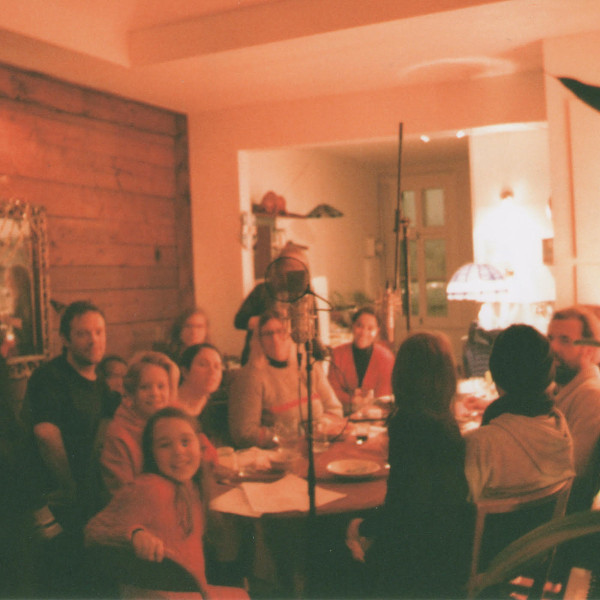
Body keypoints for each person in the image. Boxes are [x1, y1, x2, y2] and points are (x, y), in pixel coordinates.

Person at [345, 331, 474, 599]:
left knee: (333, 537)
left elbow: (405, 510)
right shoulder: (446, 422)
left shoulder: (410, 424)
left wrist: (361, 527)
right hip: (450, 553)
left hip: (416, 567)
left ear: (402, 375)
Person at [85, 406, 248, 599]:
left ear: (200, 445)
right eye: (164, 445)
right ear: (152, 453)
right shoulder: (149, 488)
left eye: (185, 442)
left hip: (191, 592)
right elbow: (93, 531)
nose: (178, 451)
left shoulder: (192, 486)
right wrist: (136, 534)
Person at [23, 300, 118, 596]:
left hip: (83, 497)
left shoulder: (98, 382)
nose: (94, 340)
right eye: (83, 333)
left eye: (99, 332)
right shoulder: (50, 377)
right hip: (52, 501)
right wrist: (70, 487)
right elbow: (45, 435)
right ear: (65, 339)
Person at [465, 324, 574, 503]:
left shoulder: (481, 443)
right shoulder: (559, 426)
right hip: (551, 523)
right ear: (547, 374)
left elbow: (458, 510)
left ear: (497, 372)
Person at [229, 310, 343, 448]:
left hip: (320, 445)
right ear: (258, 340)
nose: (275, 339)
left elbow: (335, 409)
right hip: (279, 453)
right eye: (268, 334)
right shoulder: (250, 377)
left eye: (281, 331)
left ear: (291, 335)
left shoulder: (309, 366)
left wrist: (320, 428)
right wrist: (290, 438)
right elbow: (244, 434)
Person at [100, 351, 179, 497]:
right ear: (131, 394)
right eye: (145, 387)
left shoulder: (170, 422)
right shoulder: (118, 434)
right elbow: (124, 494)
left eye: (161, 386)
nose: (154, 393)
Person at [547, 306, 600, 510]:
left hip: (560, 515)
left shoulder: (591, 395)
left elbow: (575, 473)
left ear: (589, 350)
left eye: (565, 340)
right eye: (550, 338)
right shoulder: (564, 386)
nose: (552, 347)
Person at [234, 241, 309, 365]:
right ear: (279, 267)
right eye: (289, 265)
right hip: (260, 360)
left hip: (294, 361)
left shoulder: (306, 296)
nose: (295, 269)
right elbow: (240, 321)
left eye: (300, 265)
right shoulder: (262, 291)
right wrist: (268, 321)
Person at [327, 306, 394, 414]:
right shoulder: (337, 354)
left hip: (376, 414)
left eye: (370, 328)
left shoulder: (386, 358)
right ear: (352, 326)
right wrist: (352, 399)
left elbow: (384, 395)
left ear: (377, 331)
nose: (364, 332)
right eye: (359, 326)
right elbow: (331, 389)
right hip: (341, 413)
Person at [178, 343, 230, 446]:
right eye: (203, 365)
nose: (212, 371)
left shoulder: (217, 405)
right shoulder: (169, 408)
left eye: (217, 366)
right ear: (185, 372)